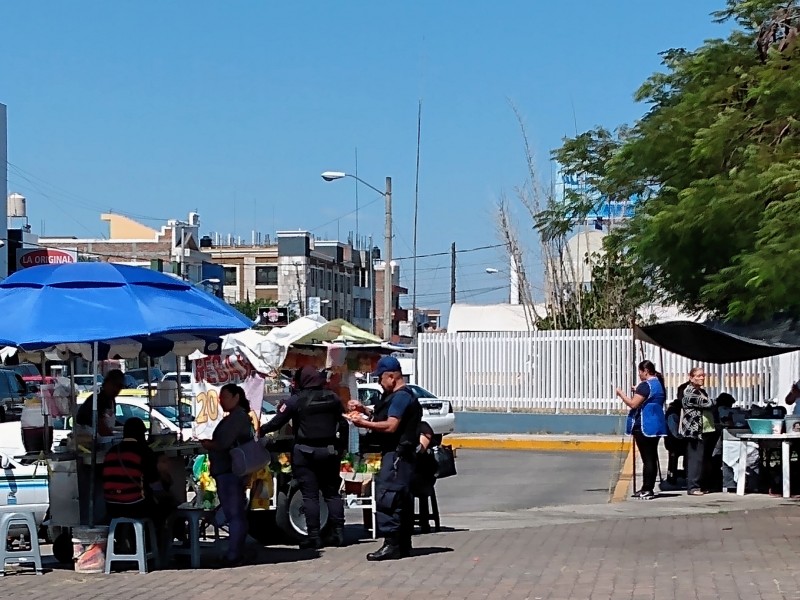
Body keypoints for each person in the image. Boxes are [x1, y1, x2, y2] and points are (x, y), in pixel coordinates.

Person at [259, 366, 346, 550]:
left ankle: (314, 537)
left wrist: (261, 430)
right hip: (330, 452)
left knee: (310, 496)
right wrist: (341, 448)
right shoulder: (333, 397)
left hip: (306, 453)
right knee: (332, 493)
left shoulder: (296, 400)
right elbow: (343, 423)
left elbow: (277, 422)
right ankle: (338, 533)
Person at [347, 356, 422, 561]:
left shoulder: (401, 397)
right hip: (400, 455)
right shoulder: (396, 397)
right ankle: (403, 544)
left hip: (397, 455)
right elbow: (382, 416)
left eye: (381, 378)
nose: (380, 382)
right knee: (401, 500)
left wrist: (363, 424)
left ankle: (392, 544)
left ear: (391, 376)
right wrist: (364, 410)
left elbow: (390, 425)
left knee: (388, 497)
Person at [199, 383, 253, 567]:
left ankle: (233, 554)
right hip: (231, 471)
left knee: (234, 513)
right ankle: (236, 551)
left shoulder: (237, 418)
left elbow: (223, 443)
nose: (221, 401)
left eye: (225, 397)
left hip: (229, 471)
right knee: (235, 513)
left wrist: (208, 444)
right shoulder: (237, 417)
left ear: (236, 397)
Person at [102, 418, 175, 551]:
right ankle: (154, 547)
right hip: (135, 505)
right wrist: (166, 478)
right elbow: (155, 484)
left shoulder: (111, 452)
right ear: (142, 434)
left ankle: (128, 542)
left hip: (111, 507)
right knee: (168, 504)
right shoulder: (144, 452)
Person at [616, 360, 667, 500]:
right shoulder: (658, 384)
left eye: (640, 372)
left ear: (645, 371)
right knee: (651, 457)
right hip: (656, 424)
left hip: (645, 425)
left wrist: (621, 394)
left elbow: (633, 404)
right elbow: (648, 397)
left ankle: (648, 489)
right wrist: (638, 390)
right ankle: (646, 487)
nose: (639, 375)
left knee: (648, 459)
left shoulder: (645, 386)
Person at [679, 367, 716, 496]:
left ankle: (701, 484)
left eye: (703, 375)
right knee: (695, 459)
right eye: (698, 376)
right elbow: (707, 403)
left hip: (705, 429)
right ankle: (693, 487)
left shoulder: (702, 391)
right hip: (694, 431)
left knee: (703, 459)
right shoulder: (689, 392)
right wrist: (712, 401)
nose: (701, 378)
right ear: (691, 377)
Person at [75, 369, 125, 437]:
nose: (116, 389)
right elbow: (99, 425)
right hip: (87, 440)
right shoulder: (97, 400)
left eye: (120, 387)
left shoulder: (111, 401)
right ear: (107, 383)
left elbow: (110, 423)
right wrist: (112, 438)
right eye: (114, 385)